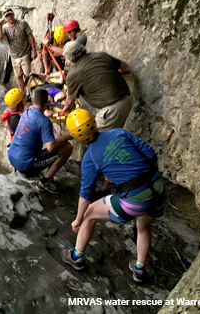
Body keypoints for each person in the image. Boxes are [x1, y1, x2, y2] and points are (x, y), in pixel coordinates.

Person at [61, 109, 167, 283]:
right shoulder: (118, 132)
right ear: (94, 123)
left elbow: (86, 193)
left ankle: (75, 257)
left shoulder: (90, 158)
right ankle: (139, 269)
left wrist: (78, 219)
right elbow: (151, 155)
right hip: (158, 189)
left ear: (75, 136)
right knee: (144, 227)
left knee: (89, 214)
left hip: (135, 200)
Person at [8, 88, 73, 193]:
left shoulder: (26, 113)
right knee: (67, 147)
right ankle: (45, 182)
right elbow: (50, 147)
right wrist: (66, 136)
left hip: (12, 157)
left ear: (32, 100)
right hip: (26, 165)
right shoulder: (44, 121)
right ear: (47, 102)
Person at [63, 41, 133, 131]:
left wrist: (65, 108)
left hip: (112, 109)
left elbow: (70, 101)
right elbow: (124, 67)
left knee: (94, 137)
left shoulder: (73, 74)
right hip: (128, 97)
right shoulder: (101, 55)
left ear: (69, 59)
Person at [0, 8, 38, 92]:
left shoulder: (22, 23)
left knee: (28, 75)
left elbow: (30, 36)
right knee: (18, 75)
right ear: (5, 18)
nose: (9, 17)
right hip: (14, 56)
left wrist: (33, 49)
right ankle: (22, 93)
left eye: (10, 15)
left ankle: (33, 92)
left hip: (25, 53)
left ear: (13, 14)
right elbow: (0, 38)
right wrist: (0, 26)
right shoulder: (5, 27)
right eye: (7, 16)